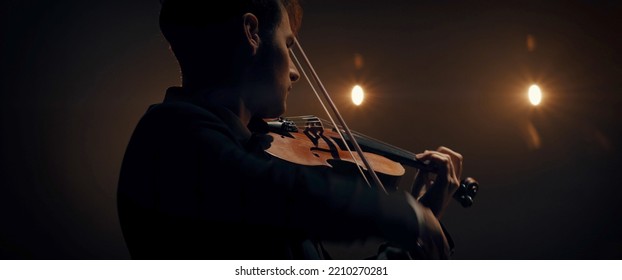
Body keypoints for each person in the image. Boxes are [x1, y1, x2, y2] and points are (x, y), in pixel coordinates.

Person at [117, 0, 464, 260]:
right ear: (251, 33)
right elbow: (273, 190)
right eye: (287, 45)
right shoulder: (169, 136)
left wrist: (423, 219)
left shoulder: (237, 151)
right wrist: (400, 212)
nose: (295, 72)